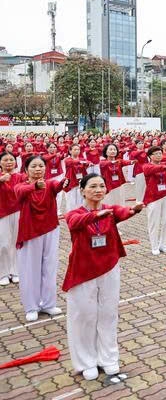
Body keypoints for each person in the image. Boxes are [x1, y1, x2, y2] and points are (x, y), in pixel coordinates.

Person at [63, 173, 144, 381]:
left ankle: (108, 358)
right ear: (82, 190)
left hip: (109, 267)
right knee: (85, 316)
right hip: (83, 271)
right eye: (92, 186)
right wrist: (96, 215)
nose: (98, 190)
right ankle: (86, 361)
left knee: (108, 313)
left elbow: (123, 212)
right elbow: (74, 223)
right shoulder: (74, 213)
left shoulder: (111, 211)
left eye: (101, 186)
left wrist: (134, 209)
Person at [14, 156, 69, 321]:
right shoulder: (21, 186)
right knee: (31, 268)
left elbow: (57, 186)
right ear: (26, 170)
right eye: (34, 166)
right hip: (31, 231)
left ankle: (48, 303)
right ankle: (31, 306)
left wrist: (63, 183)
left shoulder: (50, 184)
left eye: (41, 166)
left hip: (50, 229)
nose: (38, 169)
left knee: (49, 266)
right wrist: (34, 186)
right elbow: (20, 193)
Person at [142, 146, 166, 255]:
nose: (158, 155)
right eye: (156, 154)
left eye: (160, 153)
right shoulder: (147, 166)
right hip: (153, 197)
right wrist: (163, 167)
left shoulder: (165, 165)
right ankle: (154, 246)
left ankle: (163, 244)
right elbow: (149, 171)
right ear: (150, 156)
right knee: (154, 222)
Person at [0, 152, 22, 286]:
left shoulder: (20, 176)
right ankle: (3, 272)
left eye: (11, 160)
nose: (9, 162)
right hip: (2, 213)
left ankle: (15, 271)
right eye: (5, 160)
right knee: (3, 244)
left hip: (18, 212)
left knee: (16, 242)